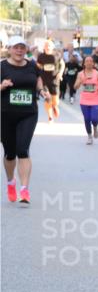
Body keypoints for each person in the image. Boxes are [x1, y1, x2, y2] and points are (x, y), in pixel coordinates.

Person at [1, 36, 48, 204]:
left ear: (26, 49)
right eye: (16, 47)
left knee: (23, 150)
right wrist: (2, 86)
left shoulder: (32, 65)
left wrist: (42, 91)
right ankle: (10, 182)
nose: (19, 50)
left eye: (22, 47)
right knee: (9, 153)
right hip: (5, 114)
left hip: (28, 113)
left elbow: (38, 79)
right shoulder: (2, 66)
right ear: (10, 49)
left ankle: (24, 189)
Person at [75, 54, 98, 145]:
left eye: (90, 61)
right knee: (87, 119)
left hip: (95, 100)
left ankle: (95, 127)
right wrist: (80, 81)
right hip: (84, 100)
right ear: (84, 63)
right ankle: (89, 136)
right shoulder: (80, 74)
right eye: (87, 61)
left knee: (94, 118)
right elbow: (75, 87)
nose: (89, 63)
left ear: (93, 63)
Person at [36, 40, 62, 122]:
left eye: (49, 45)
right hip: (44, 81)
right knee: (47, 98)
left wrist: (60, 73)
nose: (47, 47)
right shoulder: (41, 56)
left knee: (55, 101)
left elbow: (63, 64)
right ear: (44, 47)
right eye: (46, 45)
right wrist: (38, 76)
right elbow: (38, 66)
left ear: (52, 47)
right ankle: (50, 116)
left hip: (54, 81)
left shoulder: (57, 55)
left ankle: (54, 106)